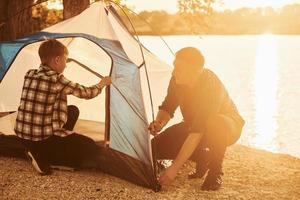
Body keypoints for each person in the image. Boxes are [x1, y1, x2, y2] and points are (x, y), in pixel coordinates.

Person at [149, 47, 245, 191]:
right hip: (193, 126)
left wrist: (174, 168)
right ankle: (202, 156)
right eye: (174, 66)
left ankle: (215, 171)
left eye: (179, 68)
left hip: (226, 127)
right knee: (152, 149)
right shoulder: (176, 80)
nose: (174, 72)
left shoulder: (209, 86)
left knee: (214, 123)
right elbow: (168, 106)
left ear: (196, 70)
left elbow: (197, 132)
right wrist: (159, 123)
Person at [14, 39, 111, 175]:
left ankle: (37, 148)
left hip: (22, 134)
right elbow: (87, 93)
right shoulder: (57, 80)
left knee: (72, 110)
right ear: (57, 60)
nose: (66, 65)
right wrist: (102, 83)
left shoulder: (30, 73)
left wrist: (62, 61)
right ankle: (43, 156)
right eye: (65, 61)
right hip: (41, 138)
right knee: (90, 146)